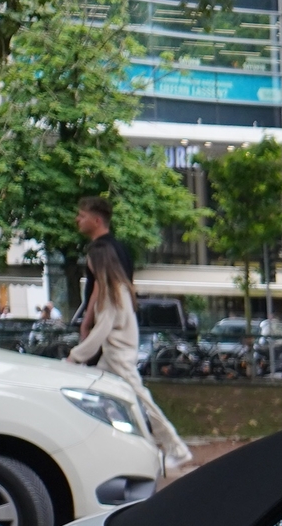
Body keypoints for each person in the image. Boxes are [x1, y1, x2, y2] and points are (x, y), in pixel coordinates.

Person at [66, 242, 193, 469]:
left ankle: (175, 449)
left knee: (142, 403)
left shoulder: (111, 293)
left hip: (117, 358)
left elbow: (101, 330)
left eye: (89, 260)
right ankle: (145, 447)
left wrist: (75, 356)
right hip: (116, 356)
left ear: (98, 263)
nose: (87, 264)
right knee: (115, 400)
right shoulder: (118, 289)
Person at [73, 196, 135, 336]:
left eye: (82, 216)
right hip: (121, 321)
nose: (77, 219)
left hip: (103, 324)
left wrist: (87, 322)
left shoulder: (100, 249)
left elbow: (100, 283)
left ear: (97, 221)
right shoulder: (122, 248)